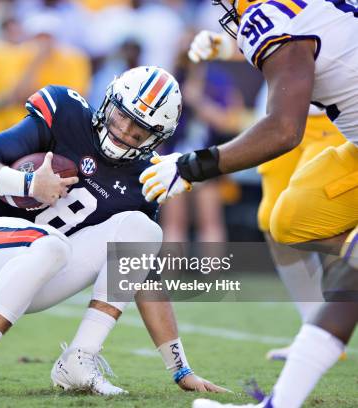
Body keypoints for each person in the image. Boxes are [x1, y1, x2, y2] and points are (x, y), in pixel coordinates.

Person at [0, 66, 227, 397]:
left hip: (39, 271)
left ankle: (79, 360)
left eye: (140, 130)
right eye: (122, 116)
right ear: (109, 102)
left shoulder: (143, 179)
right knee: (52, 245)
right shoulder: (66, 114)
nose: (124, 131)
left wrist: (181, 367)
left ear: (157, 139)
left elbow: (140, 273)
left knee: (142, 231)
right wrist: (29, 183)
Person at [134, 1, 357, 407]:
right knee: (290, 221)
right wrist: (224, 45)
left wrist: (191, 166)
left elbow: (284, 129)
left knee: (350, 275)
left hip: (321, 129)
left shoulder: (269, 16)